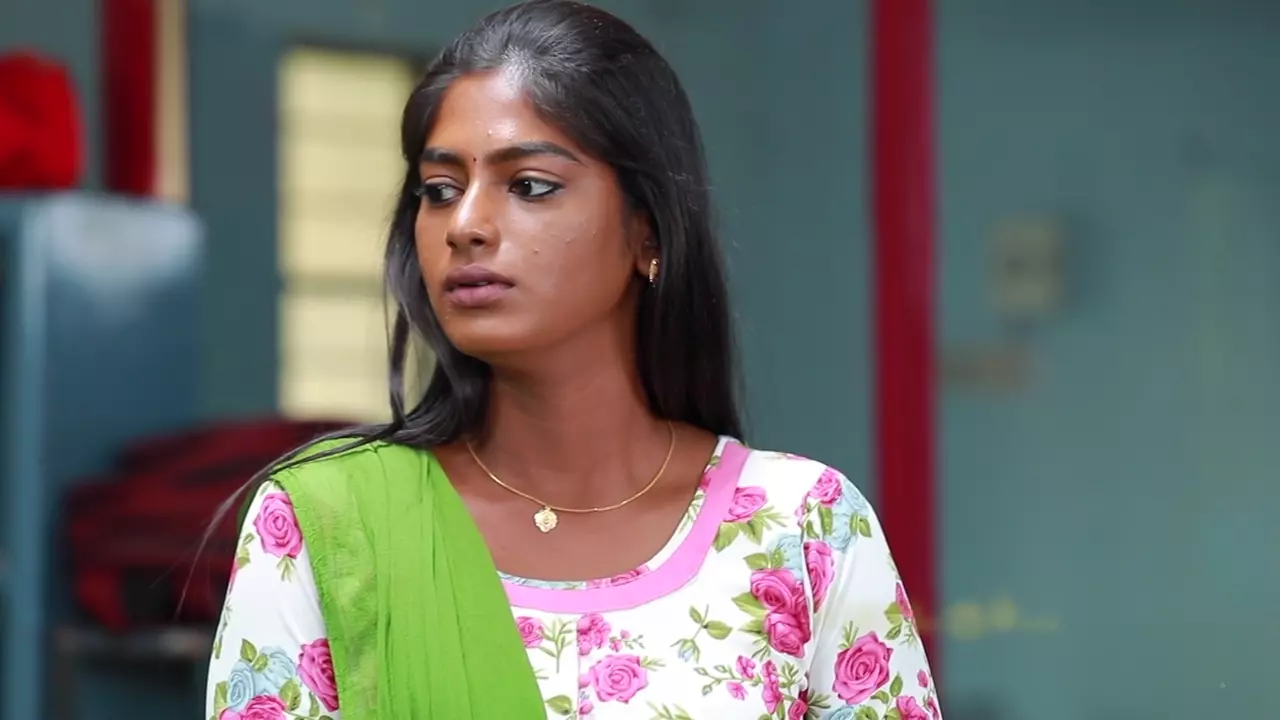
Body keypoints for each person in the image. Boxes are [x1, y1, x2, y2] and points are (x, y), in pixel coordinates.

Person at [204, 1, 941, 718]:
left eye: (529, 186)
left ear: (648, 233)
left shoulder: (802, 527)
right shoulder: (326, 529)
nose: (465, 225)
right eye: (440, 190)